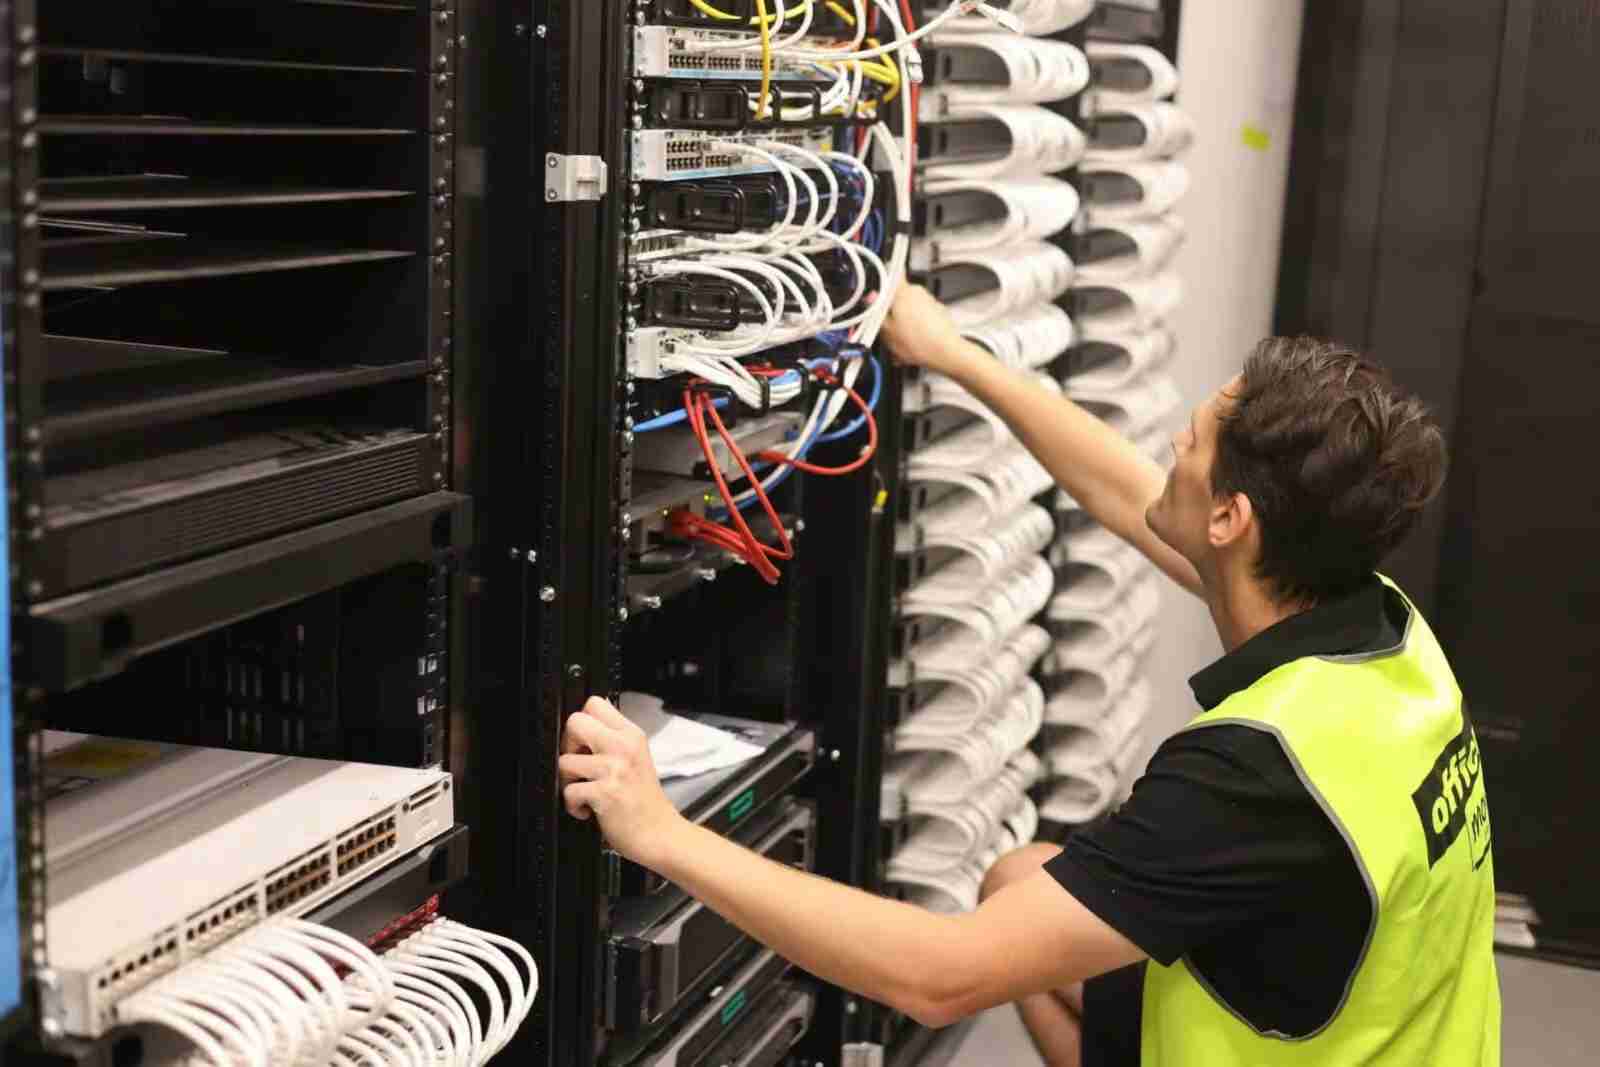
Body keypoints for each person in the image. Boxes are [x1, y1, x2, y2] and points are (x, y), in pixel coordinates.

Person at [560, 285, 1501, 1066]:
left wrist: (660, 831)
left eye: (1195, 442)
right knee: (1019, 875)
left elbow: (938, 977)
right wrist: (960, 356)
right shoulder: (1378, 620)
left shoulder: (1260, 773)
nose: (1174, 448)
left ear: (1232, 520)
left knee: (1000, 936)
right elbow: (1129, 493)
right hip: (1392, 1030)